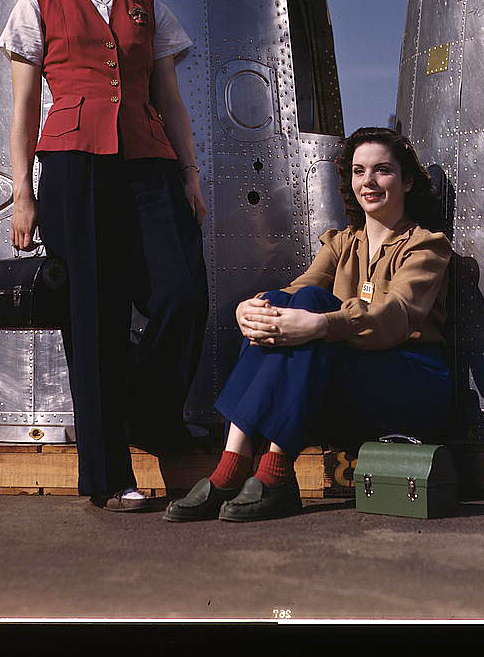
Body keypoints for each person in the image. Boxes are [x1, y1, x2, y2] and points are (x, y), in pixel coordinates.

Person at [0, 0, 209, 512]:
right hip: (71, 170)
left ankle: (147, 413)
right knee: (93, 320)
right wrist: (24, 194)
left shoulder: (151, 11)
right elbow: (24, 109)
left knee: (182, 294)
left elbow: (169, 101)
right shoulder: (37, 5)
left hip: (149, 167)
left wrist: (190, 175)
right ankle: (108, 475)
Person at [165, 126, 452, 523]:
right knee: (287, 302)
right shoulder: (341, 243)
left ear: (406, 180)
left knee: (315, 309)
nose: (368, 182)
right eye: (358, 171)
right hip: (352, 380)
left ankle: (271, 473)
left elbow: (396, 315)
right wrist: (252, 310)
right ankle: (235, 463)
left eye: (382, 170)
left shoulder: (425, 246)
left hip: (409, 384)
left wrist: (319, 326)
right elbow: (296, 291)